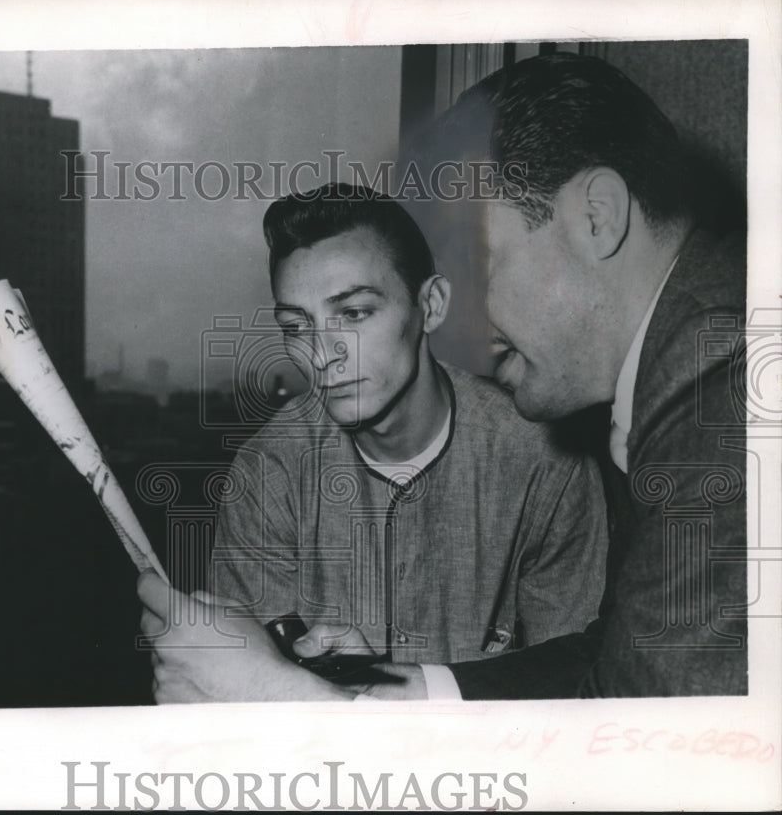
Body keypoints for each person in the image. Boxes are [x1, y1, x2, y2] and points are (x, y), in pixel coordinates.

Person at [137, 182, 610, 702]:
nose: (322, 354)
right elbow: (244, 712)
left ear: (430, 305)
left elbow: (578, 693)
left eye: (355, 313)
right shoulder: (266, 472)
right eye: (297, 326)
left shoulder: (545, 458)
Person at [398, 51, 747, 698]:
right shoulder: (667, 378)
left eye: (476, 265)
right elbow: (615, 658)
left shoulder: (726, 400)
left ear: (597, 217)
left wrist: (286, 706)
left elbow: (641, 752)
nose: (455, 327)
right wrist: (406, 693)